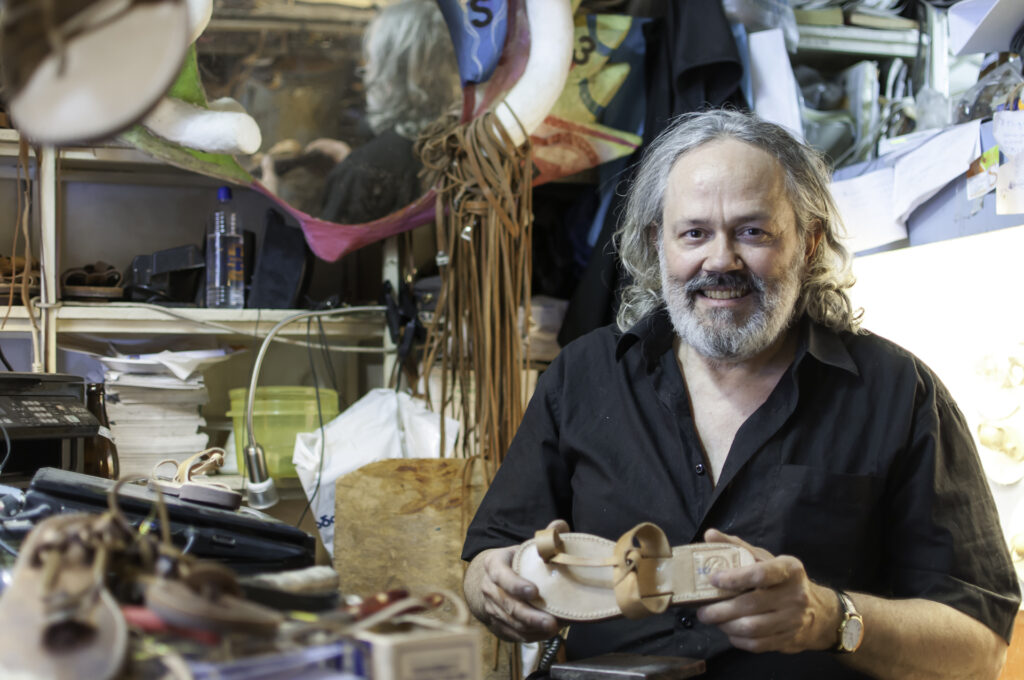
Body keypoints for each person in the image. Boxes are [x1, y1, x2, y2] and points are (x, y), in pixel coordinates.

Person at [461, 109, 1021, 679]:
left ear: (808, 243)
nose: (720, 260)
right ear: (658, 243)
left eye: (752, 231)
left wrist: (830, 618)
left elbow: (980, 651)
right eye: (694, 233)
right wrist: (496, 587)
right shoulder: (582, 376)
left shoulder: (898, 395)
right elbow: (487, 561)